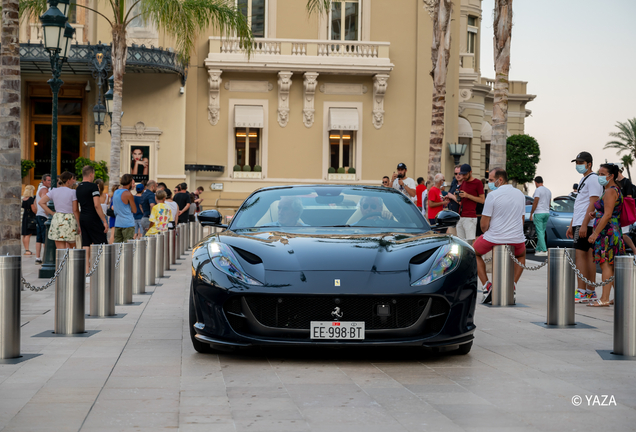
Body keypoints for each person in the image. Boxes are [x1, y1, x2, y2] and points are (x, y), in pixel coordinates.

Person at [474, 169, 527, 304]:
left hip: (494, 238)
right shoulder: (520, 194)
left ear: (500, 180)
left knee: (473, 252)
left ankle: (487, 286)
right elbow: (522, 220)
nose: (489, 183)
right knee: (521, 256)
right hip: (516, 238)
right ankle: (512, 285)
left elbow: (484, 226)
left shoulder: (492, 195)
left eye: (491, 180)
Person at [566, 152, 603, 304]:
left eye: (581, 162)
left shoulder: (593, 179)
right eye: (577, 162)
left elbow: (593, 202)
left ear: (589, 164)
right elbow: (579, 205)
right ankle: (589, 291)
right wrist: (571, 224)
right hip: (580, 222)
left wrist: (583, 224)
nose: (578, 165)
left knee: (581, 255)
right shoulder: (585, 179)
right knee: (587, 255)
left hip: (584, 224)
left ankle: (582, 291)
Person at [587, 163, 625, 307]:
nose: (600, 176)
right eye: (599, 173)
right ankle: (621, 296)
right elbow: (608, 211)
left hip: (607, 232)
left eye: (603, 174)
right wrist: (595, 213)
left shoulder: (610, 191)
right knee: (611, 265)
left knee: (606, 265)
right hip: (612, 229)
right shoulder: (613, 190)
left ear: (611, 176)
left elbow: (608, 214)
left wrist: (595, 233)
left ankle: (604, 298)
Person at [76, 166, 109, 275]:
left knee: (86, 243)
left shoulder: (78, 187)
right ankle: (102, 270)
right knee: (102, 242)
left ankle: (86, 271)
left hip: (83, 218)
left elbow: (76, 207)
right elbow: (97, 205)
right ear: (91, 174)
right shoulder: (93, 186)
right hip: (93, 218)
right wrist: (104, 220)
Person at [39, 171, 81, 250]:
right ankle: (70, 262)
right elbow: (75, 210)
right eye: (72, 179)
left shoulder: (54, 191)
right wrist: (79, 224)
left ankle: (61, 262)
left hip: (58, 218)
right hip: (70, 219)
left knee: (60, 249)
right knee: (73, 248)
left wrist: (52, 213)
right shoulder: (73, 192)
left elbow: (41, 202)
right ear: (68, 180)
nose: (74, 181)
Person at [455, 164, 485, 245]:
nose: (463, 176)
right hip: (460, 215)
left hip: (470, 217)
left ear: (470, 172)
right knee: (460, 242)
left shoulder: (477, 183)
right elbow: (461, 201)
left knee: (469, 243)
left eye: (465, 174)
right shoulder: (463, 183)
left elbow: (482, 200)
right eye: (462, 174)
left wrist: (467, 195)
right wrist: (455, 196)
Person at [615, 163, 636, 252]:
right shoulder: (614, 182)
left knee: (623, 234)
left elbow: (629, 197)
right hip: (614, 211)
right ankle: (620, 251)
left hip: (623, 211)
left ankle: (634, 250)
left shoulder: (626, 182)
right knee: (616, 233)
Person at [530, 176, 552, 256]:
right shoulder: (548, 191)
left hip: (539, 212)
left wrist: (531, 213)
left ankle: (544, 250)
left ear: (535, 182)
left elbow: (535, 202)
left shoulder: (538, 190)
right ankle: (538, 249)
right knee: (542, 231)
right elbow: (549, 203)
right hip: (546, 212)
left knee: (539, 232)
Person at [112, 174, 138, 243]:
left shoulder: (115, 192)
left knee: (117, 246)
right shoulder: (128, 194)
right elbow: (134, 210)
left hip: (118, 223)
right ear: (129, 183)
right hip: (128, 223)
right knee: (127, 247)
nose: (134, 185)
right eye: (132, 183)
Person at [34, 174, 51, 263]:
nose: (50, 182)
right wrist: (49, 213)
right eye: (48, 180)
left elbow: (35, 203)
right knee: (45, 238)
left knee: (39, 238)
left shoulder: (39, 189)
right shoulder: (44, 189)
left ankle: (38, 258)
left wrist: (38, 211)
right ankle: (46, 258)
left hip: (39, 215)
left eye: (51, 180)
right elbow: (44, 202)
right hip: (43, 216)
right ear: (43, 181)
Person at [21, 185, 37, 255]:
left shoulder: (24, 199)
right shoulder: (31, 199)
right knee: (28, 234)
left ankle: (26, 249)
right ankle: (27, 250)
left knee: (25, 234)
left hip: (25, 217)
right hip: (30, 217)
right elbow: (33, 209)